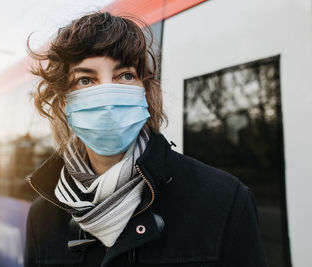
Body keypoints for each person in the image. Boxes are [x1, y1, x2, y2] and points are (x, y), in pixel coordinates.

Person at [24, 12, 267, 267]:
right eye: (86, 80)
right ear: (65, 103)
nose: (107, 97)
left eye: (125, 75)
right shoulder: (42, 218)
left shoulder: (225, 201)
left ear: (145, 91)